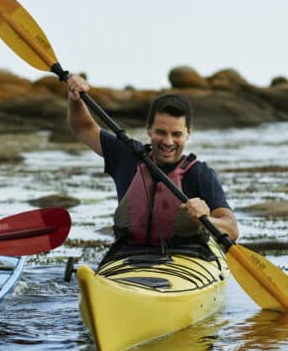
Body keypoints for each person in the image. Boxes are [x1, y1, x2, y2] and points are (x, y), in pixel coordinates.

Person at [66, 76, 239, 249]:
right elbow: (84, 128)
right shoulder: (128, 156)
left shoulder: (200, 174)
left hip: (184, 260)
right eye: (161, 132)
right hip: (129, 256)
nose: (168, 141)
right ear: (148, 129)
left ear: (188, 134)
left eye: (176, 134)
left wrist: (206, 219)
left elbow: (232, 229)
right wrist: (75, 99)